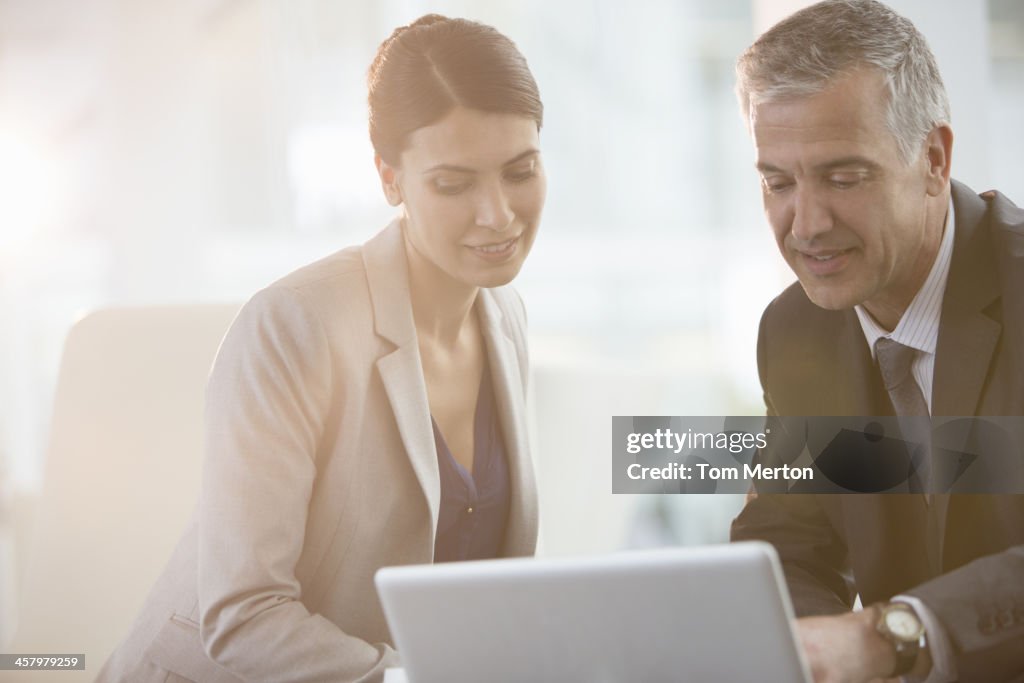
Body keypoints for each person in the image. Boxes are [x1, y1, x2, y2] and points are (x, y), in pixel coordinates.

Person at [97, 14, 546, 683]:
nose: (498, 214)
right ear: (390, 179)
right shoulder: (294, 325)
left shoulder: (506, 321)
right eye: (455, 183)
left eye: (520, 171)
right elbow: (244, 611)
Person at [729, 1, 1024, 682]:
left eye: (842, 176)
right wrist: (810, 651)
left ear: (933, 159)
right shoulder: (794, 327)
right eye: (777, 182)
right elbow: (787, 540)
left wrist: (891, 634)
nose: (805, 223)